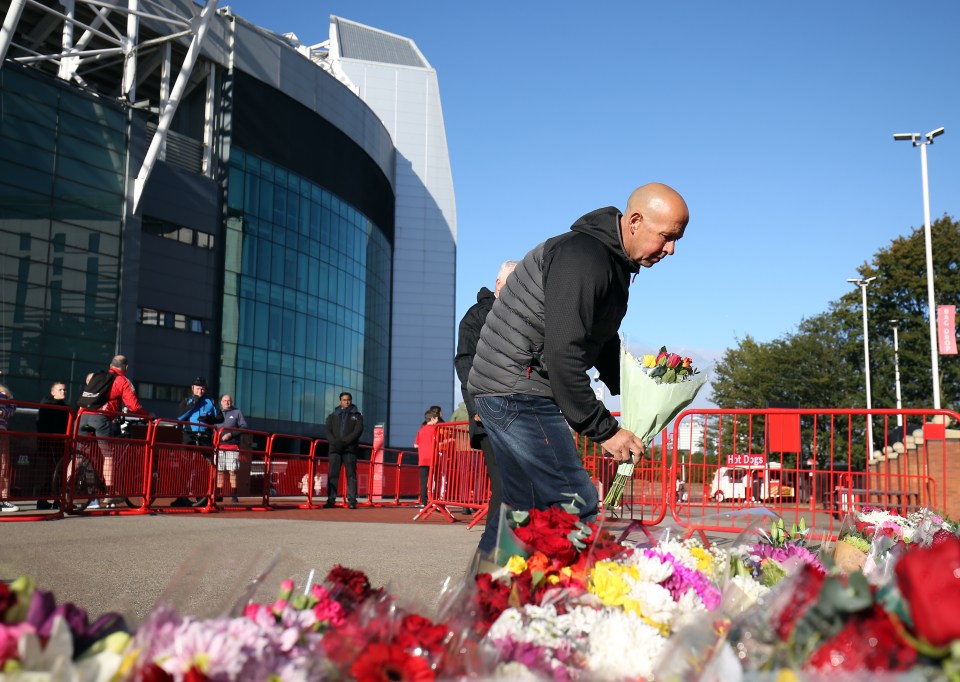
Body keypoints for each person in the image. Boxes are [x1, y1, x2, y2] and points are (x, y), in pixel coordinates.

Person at [468, 183, 689, 527]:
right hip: (516, 388)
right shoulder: (584, 257)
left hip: (511, 385)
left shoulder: (611, 262)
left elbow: (598, 336)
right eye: (666, 236)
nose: (672, 249)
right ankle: (570, 580)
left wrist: (637, 388)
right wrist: (605, 430)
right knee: (575, 501)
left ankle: (490, 581)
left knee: (521, 515)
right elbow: (564, 354)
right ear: (634, 222)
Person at [454, 259, 518, 558]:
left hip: (518, 415)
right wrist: (478, 403)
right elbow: (465, 361)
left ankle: (505, 553)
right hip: (490, 413)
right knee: (505, 488)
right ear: (499, 285)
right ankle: (490, 559)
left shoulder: (523, 317)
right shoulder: (478, 316)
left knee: (518, 487)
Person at [77, 355, 147, 510]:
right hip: (100, 419)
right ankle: (109, 493)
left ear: (110, 365)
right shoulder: (122, 381)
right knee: (108, 455)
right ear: (126, 367)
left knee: (78, 455)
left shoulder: (97, 376)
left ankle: (67, 485)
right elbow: (134, 406)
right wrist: (148, 416)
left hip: (81, 416)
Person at [172, 377, 223, 508]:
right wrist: (193, 403)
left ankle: (203, 497)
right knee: (185, 467)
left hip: (205, 437)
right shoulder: (187, 400)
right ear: (192, 388)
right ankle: (181, 497)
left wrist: (209, 418)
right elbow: (179, 417)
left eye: (203, 388)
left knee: (204, 468)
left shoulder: (211, 401)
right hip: (189, 436)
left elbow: (220, 417)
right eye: (198, 387)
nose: (201, 390)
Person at [323, 392, 363, 509]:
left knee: (351, 475)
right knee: (333, 475)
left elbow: (357, 431)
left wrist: (344, 442)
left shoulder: (357, 416)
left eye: (348, 400)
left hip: (349, 450)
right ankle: (331, 500)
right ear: (340, 401)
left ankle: (352, 501)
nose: (346, 402)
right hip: (335, 450)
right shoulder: (332, 416)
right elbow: (328, 431)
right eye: (344, 400)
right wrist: (335, 443)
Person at [36, 381, 69, 510]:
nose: (63, 392)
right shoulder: (49, 406)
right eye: (60, 390)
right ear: (53, 392)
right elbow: (43, 425)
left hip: (58, 443)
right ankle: (51, 500)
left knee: (54, 472)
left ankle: (50, 500)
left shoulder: (63, 407)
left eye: (65, 390)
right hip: (51, 443)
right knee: (54, 472)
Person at [217, 394, 247, 503]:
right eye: (224, 401)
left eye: (229, 401)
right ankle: (218, 494)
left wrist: (231, 434)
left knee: (232, 471)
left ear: (232, 402)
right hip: (218, 446)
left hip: (232, 446)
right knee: (219, 471)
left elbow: (243, 427)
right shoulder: (217, 413)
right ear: (221, 402)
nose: (227, 403)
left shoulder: (237, 412)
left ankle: (234, 495)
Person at [414, 406, 442, 508]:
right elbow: (438, 442)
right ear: (432, 419)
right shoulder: (435, 429)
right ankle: (433, 500)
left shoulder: (421, 430)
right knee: (434, 481)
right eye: (436, 418)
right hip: (433, 459)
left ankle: (424, 502)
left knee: (423, 481)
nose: (438, 420)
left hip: (422, 459)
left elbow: (415, 445)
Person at [0, 382, 17, 512]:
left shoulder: (5, 392)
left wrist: (3, 412)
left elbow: (12, 407)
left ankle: (4, 500)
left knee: (3, 466)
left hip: (2, 431)